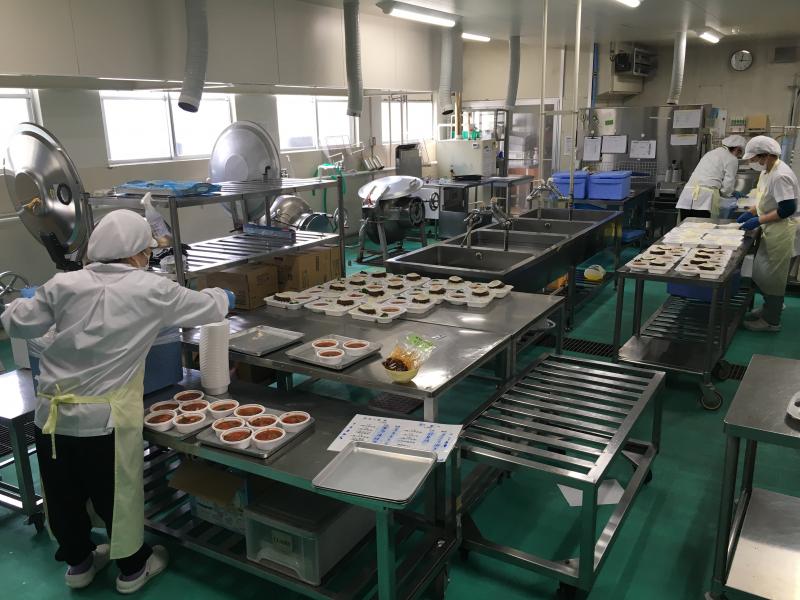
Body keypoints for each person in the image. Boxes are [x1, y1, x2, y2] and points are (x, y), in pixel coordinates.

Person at [0, 210, 234, 593]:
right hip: (104, 418)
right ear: (137, 253)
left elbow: (18, 324)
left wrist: (24, 302)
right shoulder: (151, 288)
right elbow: (207, 308)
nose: (147, 257)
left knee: (64, 494)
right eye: (146, 251)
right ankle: (133, 568)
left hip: (52, 416)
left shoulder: (63, 284)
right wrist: (223, 296)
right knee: (116, 494)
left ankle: (78, 564)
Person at [737, 135, 799, 331]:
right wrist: (750, 212)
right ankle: (768, 308)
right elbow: (765, 200)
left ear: (766, 155)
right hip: (771, 228)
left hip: (781, 230)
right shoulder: (767, 172)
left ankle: (771, 321)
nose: (754, 162)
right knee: (763, 273)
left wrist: (759, 220)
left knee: (773, 276)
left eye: (755, 158)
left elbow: (787, 208)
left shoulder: (780, 175)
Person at [676, 135, 747, 220]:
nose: (738, 156)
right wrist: (730, 194)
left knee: (685, 226)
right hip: (705, 198)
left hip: (687, 195)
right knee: (703, 226)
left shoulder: (710, 153)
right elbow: (728, 185)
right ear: (737, 149)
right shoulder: (732, 159)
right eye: (740, 153)